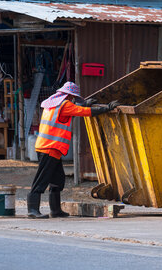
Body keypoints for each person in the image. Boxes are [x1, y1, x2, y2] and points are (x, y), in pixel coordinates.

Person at [27, 81, 119, 219]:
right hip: (49, 148)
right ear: (69, 96)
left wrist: (83, 104)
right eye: (73, 97)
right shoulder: (65, 105)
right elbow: (83, 112)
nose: (73, 99)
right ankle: (32, 210)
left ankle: (56, 210)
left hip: (50, 148)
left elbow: (73, 111)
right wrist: (106, 108)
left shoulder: (52, 104)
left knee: (57, 180)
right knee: (41, 179)